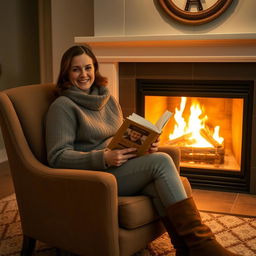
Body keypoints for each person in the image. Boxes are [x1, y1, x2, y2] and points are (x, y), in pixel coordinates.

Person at [45, 45, 240, 256]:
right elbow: (57, 156)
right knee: (162, 161)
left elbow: (119, 137)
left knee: (158, 178)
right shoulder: (63, 106)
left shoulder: (107, 99)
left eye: (88, 67)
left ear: (95, 68)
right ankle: (203, 245)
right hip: (96, 176)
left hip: (119, 166)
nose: (84, 75)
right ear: (66, 73)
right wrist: (103, 157)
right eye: (76, 69)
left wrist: (145, 146)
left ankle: (186, 249)